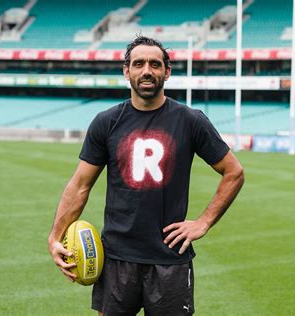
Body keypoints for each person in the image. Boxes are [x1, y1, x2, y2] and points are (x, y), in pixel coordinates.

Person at [47, 36, 245, 315]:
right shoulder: (107, 122)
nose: (147, 70)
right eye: (138, 63)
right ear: (126, 71)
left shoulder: (190, 120)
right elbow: (80, 185)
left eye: (155, 63)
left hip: (170, 259)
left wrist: (204, 222)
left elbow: (233, 172)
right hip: (116, 258)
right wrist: (55, 236)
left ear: (167, 71)